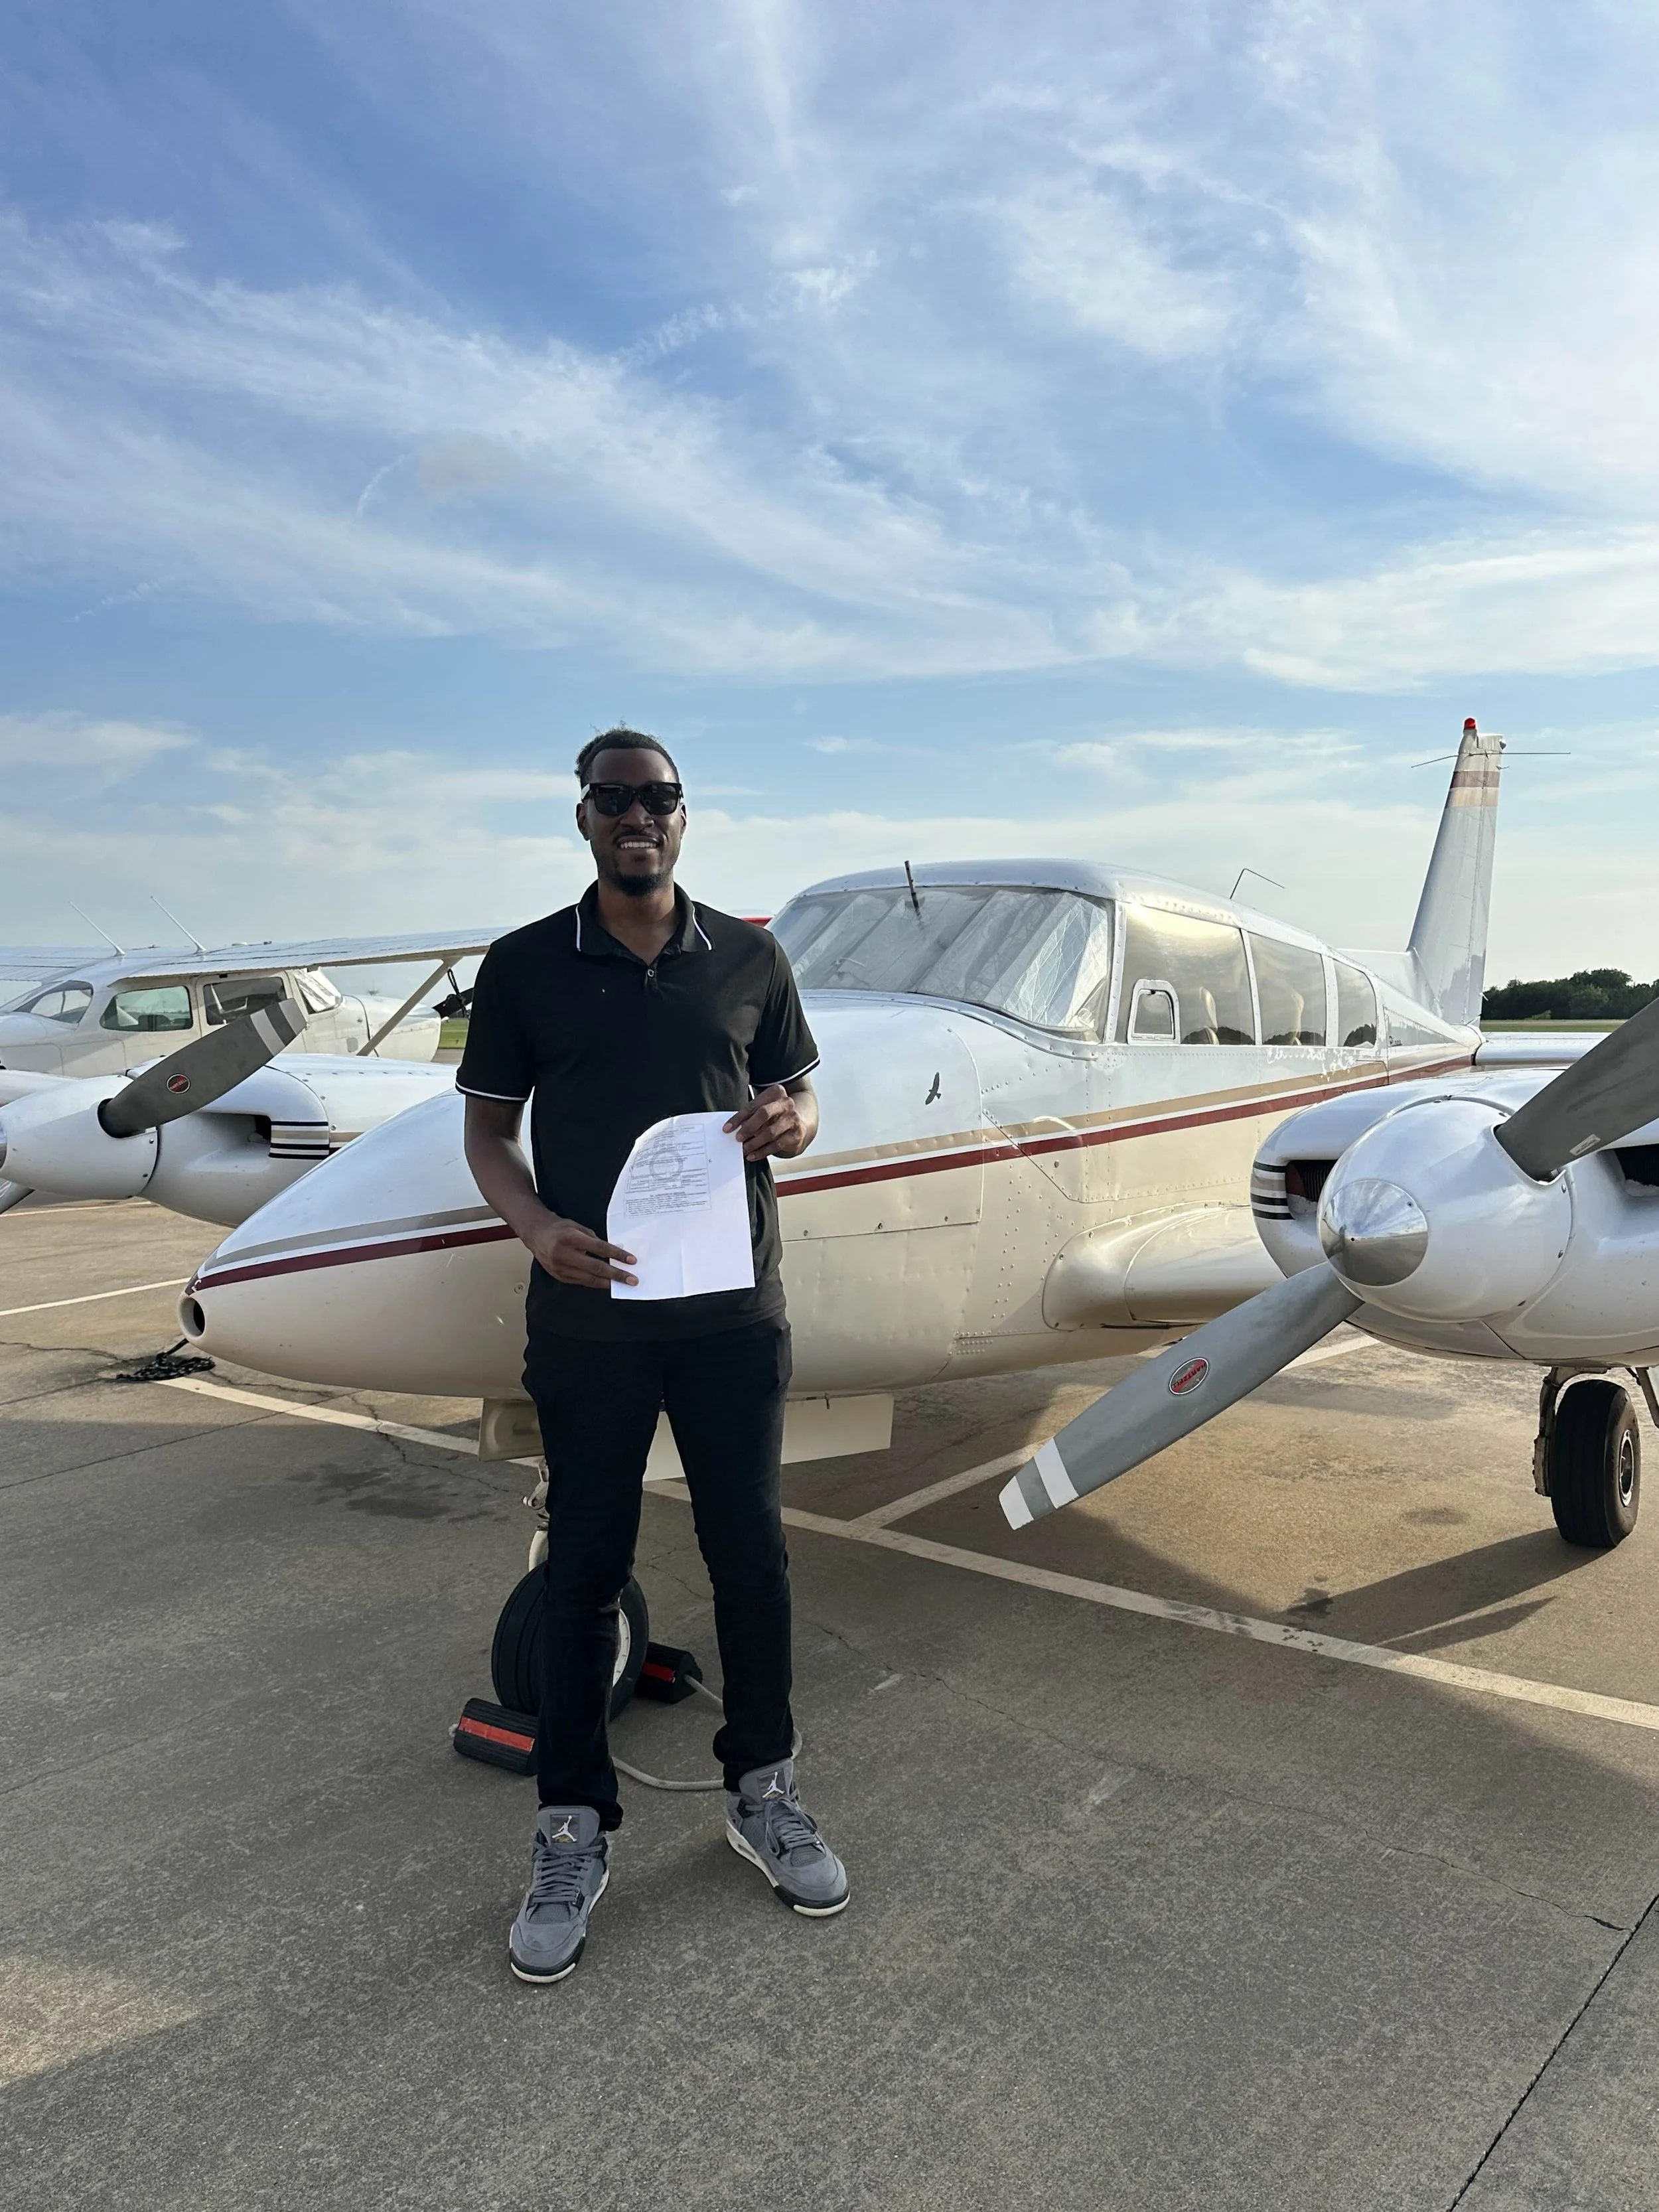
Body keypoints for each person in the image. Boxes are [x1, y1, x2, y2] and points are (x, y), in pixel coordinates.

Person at [459, 727, 849, 1985]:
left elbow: (799, 1100)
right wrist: (537, 1230)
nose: (641, 817)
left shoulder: (750, 954)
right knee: (583, 1573)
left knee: (755, 1558)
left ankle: (766, 1789)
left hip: (733, 1317)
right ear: (583, 819)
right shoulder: (526, 967)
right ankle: (573, 1823)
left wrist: (792, 1119)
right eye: (616, 800)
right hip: (589, 1321)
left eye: (661, 800)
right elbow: (486, 1140)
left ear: (686, 818)